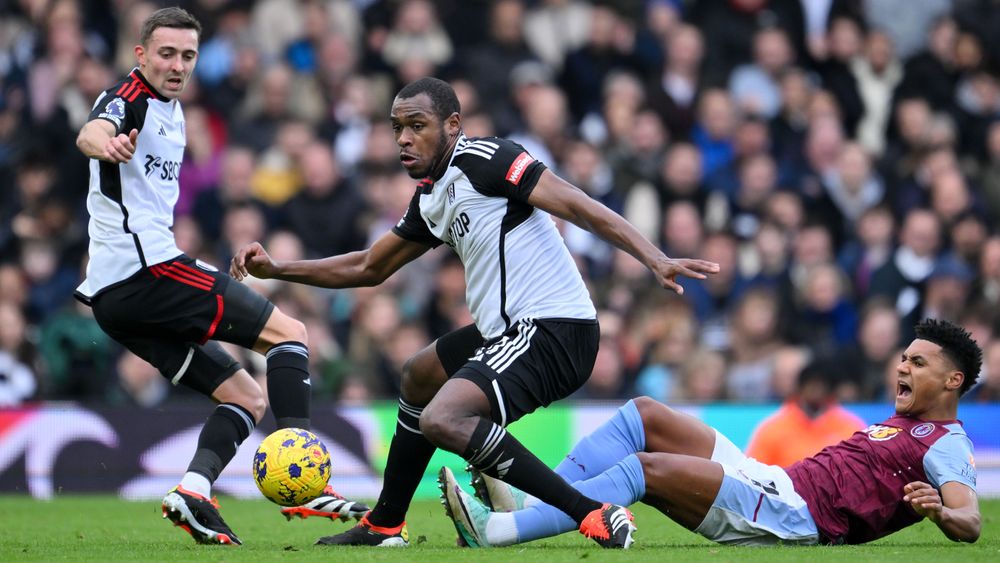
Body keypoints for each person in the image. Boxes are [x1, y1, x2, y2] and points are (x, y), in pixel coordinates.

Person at [230, 76, 720, 548]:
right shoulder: (432, 197)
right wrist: (278, 269)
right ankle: (384, 525)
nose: (404, 138)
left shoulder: (487, 159)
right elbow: (367, 266)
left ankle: (590, 511)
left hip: (553, 329)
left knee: (442, 419)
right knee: (419, 375)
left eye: (417, 125)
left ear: (453, 125)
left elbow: (577, 204)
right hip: (507, 330)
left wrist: (653, 257)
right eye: (397, 127)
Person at [73, 7, 366, 546]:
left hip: (120, 297)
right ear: (141, 55)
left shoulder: (175, 110)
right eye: (166, 53)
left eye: (187, 55)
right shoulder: (131, 98)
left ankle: (192, 490)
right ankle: (303, 479)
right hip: (145, 273)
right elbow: (94, 129)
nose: (177, 64)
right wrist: (105, 141)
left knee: (245, 397)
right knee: (291, 334)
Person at [439, 318, 981, 547]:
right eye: (904, 359)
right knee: (644, 413)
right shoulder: (907, 423)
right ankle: (526, 508)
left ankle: (498, 533)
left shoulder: (947, 444)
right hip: (777, 482)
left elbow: (971, 524)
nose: (902, 369)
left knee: (644, 473)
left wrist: (939, 511)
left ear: (953, 381)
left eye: (918, 364)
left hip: (796, 518)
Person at [745, 358, 866, 467]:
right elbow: (754, 474)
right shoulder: (773, 429)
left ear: (830, 390)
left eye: (822, 385)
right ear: (800, 387)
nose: (816, 390)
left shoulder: (850, 427)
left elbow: (863, 469)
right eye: (811, 384)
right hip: (786, 490)